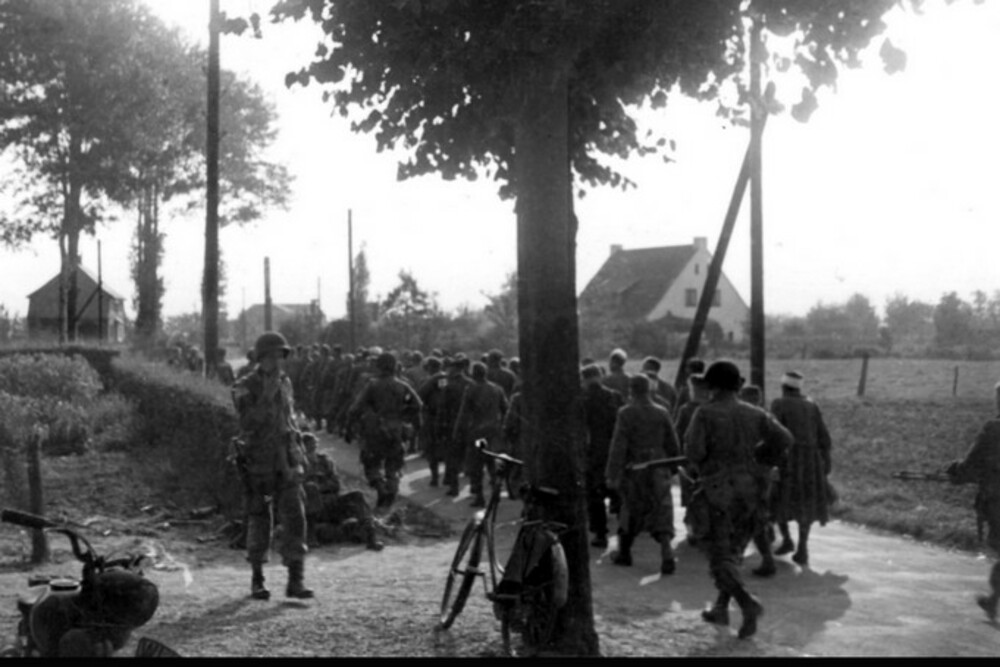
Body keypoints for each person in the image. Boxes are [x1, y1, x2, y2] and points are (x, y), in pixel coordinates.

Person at [685, 360, 792, 639]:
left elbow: (694, 452)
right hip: (752, 492)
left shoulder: (704, 413)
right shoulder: (755, 413)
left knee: (719, 555)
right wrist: (760, 459)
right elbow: (784, 438)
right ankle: (721, 608)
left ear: (713, 385)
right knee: (733, 551)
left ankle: (747, 603)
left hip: (718, 492)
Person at [231, 331, 314, 600]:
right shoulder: (244, 386)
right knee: (259, 517)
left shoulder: (285, 382)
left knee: (295, 516)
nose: (277, 362)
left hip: (286, 462)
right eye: (272, 357)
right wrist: (265, 396)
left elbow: (290, 420)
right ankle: (257, 579)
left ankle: (295, 580)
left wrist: (300, 451)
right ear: (261, 358)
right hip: (260, 463)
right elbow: (247, 422)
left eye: (280, 357)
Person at [606, 374, 682, 575]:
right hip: (659, 466)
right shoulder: (662, 412)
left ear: (631, 390)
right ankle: (666, 552)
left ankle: (624, 553)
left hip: (635, 468)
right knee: (662, 510)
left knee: (631, 509)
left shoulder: (626, 413)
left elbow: (618, 445)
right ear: (650, 390)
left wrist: (613, 474)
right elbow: (672, 442)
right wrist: (673, 466)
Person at [946, 381, 1000, 621]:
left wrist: (957, 471)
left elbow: (972, 463)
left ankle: (993, 600)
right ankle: (993, 601)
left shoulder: (994, 429)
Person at [346, 351, 423, 512]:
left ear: (380, 366)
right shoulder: (403, 386)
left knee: (371, 464)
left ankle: (381, 489)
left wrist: (349, 427)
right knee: (393, 466)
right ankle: (390, 495)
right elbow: (417, 405)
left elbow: (355, 408)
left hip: (374, 431)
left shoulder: (372, 385)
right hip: (396, 431)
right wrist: (403, 416)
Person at [770, 371, 833, 566]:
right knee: (806, 502)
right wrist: (825, 459)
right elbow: (824, 436)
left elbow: (774, 432)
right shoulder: (811, 405)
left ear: (783, 387)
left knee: (778, 497)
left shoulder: (779, 404)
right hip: (810, 461)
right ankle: (803, 547)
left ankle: (787, 539)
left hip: (788, 458)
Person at [301, 432, 384, 551]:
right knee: (310, 489)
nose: (312, 448)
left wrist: (320, 486)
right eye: (309, 446)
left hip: (331, 503)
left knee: (357, 496)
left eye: (314, 445)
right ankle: (311, 536)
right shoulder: (298, 465)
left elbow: (336, 484)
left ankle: (371, 536)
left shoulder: (324, 461)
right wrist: (318, 486)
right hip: (314, 509)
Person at [454, 361, 509, 507]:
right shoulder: (497, 389)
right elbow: (506, 409)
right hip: (494, 431)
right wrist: (502, 427)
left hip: (478, 433)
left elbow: (463, 413)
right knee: (492, 462)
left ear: (473, 374)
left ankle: (479, 496)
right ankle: (496, 493)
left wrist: (458, 431)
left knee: (476, 464)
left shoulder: (471, 389)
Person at [581, 364, 624, 549]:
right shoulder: (615, 396)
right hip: (614, 450)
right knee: (619, 493)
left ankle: (600, 534)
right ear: (600, 376)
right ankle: (624, 534)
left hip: (592, 453)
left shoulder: (582, 399)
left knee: (594, 495)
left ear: (584, 380)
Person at [674, 371, 711, 546]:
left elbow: (678, 433)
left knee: (691, 495)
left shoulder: (687, 409)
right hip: (710, 460)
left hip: (690, 460)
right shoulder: (714, 408)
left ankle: (694, 528)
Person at [438, 356, 474, 497]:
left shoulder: (448, 384)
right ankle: (474, 487)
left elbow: (442, 406)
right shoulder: (471, 383)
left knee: (452, 455)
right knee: (468, 454)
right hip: (468, 424)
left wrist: (439, 425)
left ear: (454, 369)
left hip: (452, 424)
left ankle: (453, 486)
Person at [417, 357, 447, 486]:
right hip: (444, 416)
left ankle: (435, 477)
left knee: (432, 448)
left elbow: (421, 394)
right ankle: (445, 476)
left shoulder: (436, 379)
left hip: (433, 417)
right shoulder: (442, 378)